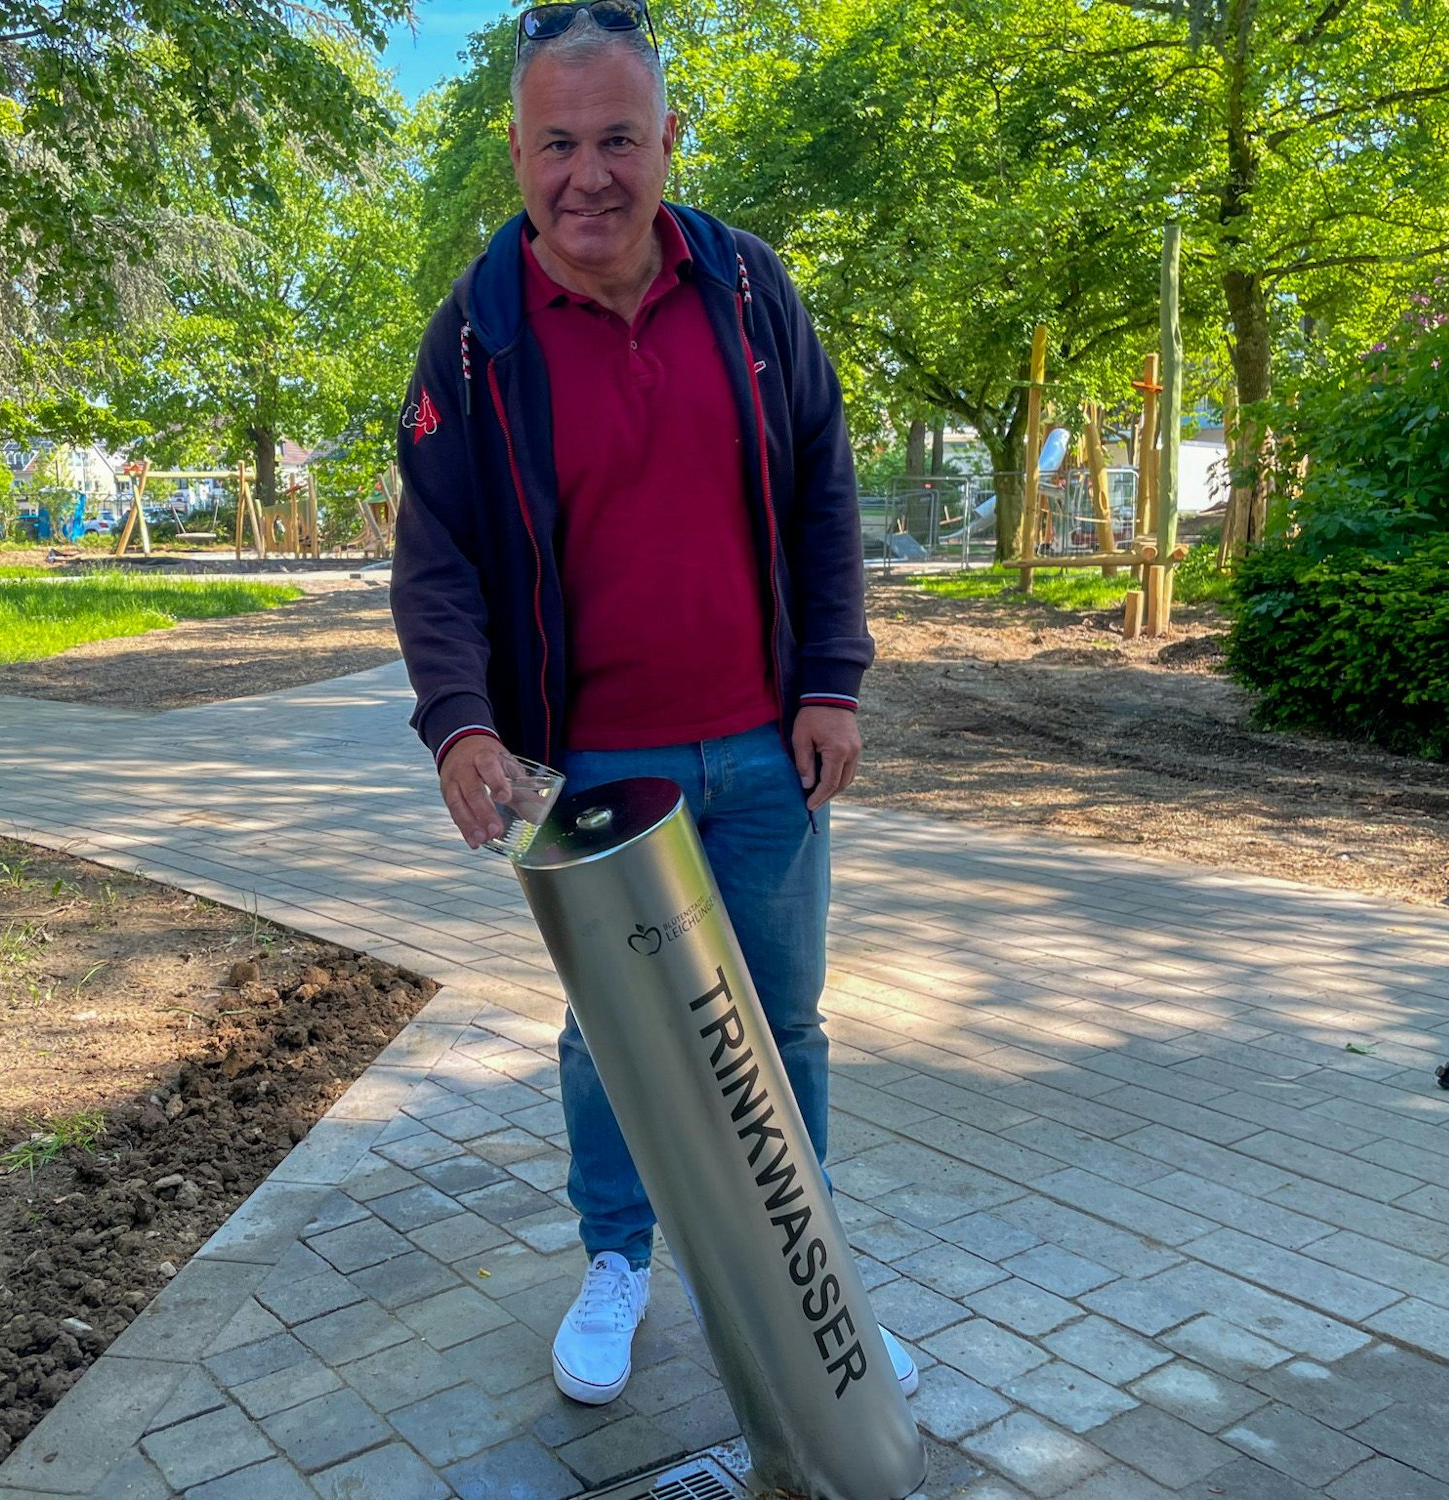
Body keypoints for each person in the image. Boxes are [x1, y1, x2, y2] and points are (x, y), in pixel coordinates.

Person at [390, 0, 916, 1408]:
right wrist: (462, 721)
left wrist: (830, 683)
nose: (590, 175)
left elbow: (823, 492)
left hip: (764, 750)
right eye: (557, 143)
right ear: (515, 151)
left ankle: (812, 1281)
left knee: (783, 1023)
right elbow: (434, 555)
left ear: (670, 137)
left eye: (619, 137)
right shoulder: (478, 335)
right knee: (611, 1038)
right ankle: (618, 1259)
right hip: (595, 778)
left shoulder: (749, 293)